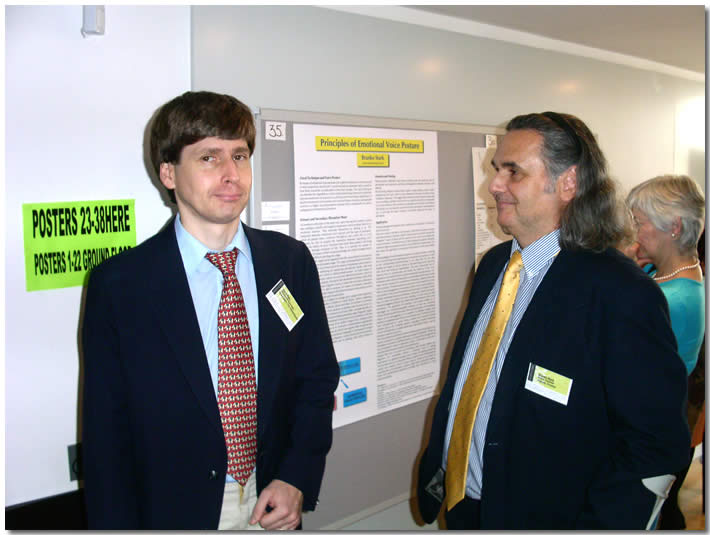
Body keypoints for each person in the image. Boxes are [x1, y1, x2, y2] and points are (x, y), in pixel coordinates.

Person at [416, 112, 690, 529]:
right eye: (496, 169)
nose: (494, 185)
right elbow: (470, 381)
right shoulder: (493, 266)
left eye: (514, 172)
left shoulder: (621, 293)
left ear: (568, 183)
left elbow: (655, 443)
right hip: (466, 505)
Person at [81, 91, 340, 529]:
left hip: (272, 501)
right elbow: (106, 435)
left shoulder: (289, 262)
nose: (231, 174)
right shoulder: (121, 286)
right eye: (208, 158)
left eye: (239, 156)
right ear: (168, 172)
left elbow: (316, 380)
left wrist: (296, 476)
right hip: (173, 512)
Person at [626, 175, 705, 529]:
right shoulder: (664, 273)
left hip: (646, 436)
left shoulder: (675, 300)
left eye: (639, 222)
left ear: (673, 227)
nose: (635, 233)